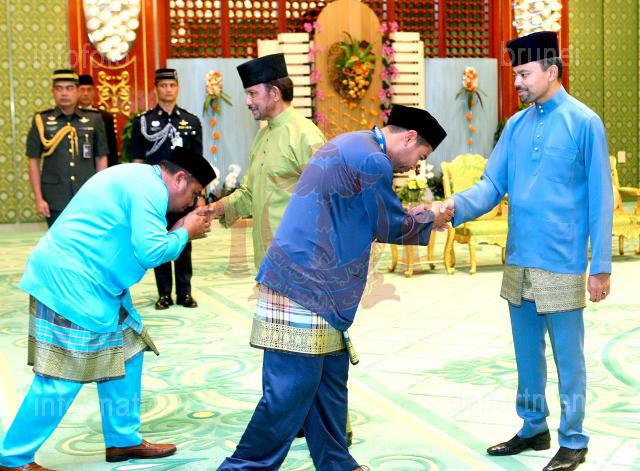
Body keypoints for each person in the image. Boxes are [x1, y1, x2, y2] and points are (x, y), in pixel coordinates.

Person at [217, 104, 450, 470]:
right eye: (421, 156)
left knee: (328, 385)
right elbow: (388, 223)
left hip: (313, 285)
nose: (416, 166)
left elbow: (366, 215)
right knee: (287, 395)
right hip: (306, 286)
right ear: (408, 138)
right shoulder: (373, 160)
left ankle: (337, 464)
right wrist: (431, 216)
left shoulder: (352, 143)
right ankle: (241, 468)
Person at [443, 31, 613, 471]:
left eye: (524, 74)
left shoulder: (584, 122)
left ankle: (573, 439)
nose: (516, 82)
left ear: (551, 71)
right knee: (526, 354)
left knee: (568, 358)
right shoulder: (516, 127)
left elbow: (600, 198)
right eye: (515, 73)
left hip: (562, 260)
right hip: (519, 258)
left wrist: (601, 267)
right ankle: (534, 427)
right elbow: (490, 186)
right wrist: (450, 207)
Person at [0, 147, 215, 471]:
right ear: (180, 178)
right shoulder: (150, 190)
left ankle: (122, 440)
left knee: (128, 349)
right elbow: (151, 252)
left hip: (98, 283)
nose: (192, 203)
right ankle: (13, 458)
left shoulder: (142, 179)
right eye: (195, 193)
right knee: (63, 374)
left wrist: (180, 230)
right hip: (72, 281)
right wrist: (185, 231)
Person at [211, 53, 325, 270]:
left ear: (274, 93)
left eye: (252, 93)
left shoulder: (306, 136)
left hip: (299, 260)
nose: (247, 102)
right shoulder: (262, 136)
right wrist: (215, 209)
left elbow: (327, 197)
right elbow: (250, 193)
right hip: (267, 260)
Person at [130, 68, 204, 310]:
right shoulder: (144, 122)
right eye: (163, 85)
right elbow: (137, 161)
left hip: (184, 195)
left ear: (177, 88)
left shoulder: (191, 121)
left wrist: (199, 195)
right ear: (156, 89)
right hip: (156, 194)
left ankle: (185, 292)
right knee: (158, 239)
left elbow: (198, 163)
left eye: (172, 85)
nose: (168, 90)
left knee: (184, 240)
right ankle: (164, 294)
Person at [26, 69, 108, 227]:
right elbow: (33, 160)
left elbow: (101, 157)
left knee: (86, 238)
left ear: (78, 91)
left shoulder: (94, 119)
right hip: (54, 197)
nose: (64, 93)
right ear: (53, 92)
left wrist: (100, 193)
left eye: (69, 88)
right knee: (58, 240)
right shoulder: (41, 120)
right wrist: (39, 199)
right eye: (59, 88)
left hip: (87, 194)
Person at [77, 74, 119, 167]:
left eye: (89, 90)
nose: (86, 93)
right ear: (76, 91)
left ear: (94, 92)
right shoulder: (71, 116)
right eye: (82, 90)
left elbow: (111, 149)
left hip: (99, 165)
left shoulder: (105, 117)